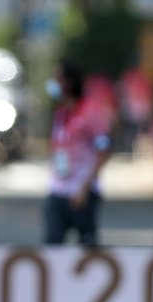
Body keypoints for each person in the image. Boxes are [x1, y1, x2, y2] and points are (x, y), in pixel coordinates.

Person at [43, 61, 112, 247]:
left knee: (87, 247)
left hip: (82, 191)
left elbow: (104, 150)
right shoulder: (60, 112)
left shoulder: (90, 111)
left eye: (58, 78)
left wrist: (85, 187)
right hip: (58, 189)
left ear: (70, 82)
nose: (53, 83)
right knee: (52, 245)